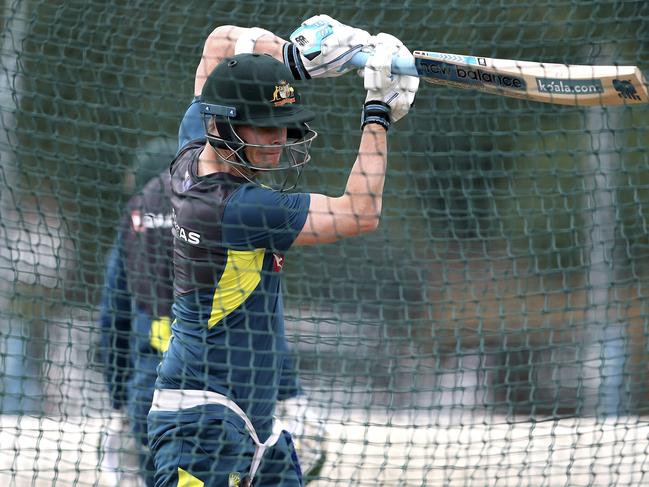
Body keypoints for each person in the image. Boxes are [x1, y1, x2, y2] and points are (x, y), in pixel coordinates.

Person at [146, 14, 419, 487]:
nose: (280, 141)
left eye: (283, 127)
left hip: (251, 425)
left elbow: (218, 43)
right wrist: (377, 111)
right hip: (203, 429)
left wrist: (294, 58)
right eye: (265, 129)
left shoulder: (195, 148)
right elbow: (359, 212)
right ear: (228, 127)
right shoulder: (239, 207)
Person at [99, 140, 327, 485]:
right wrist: (290, 392)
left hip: (153, 397)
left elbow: (113, 320)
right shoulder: (224, 209)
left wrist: (119, 404)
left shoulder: (135, 222)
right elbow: (264, 322)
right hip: (228, 395)